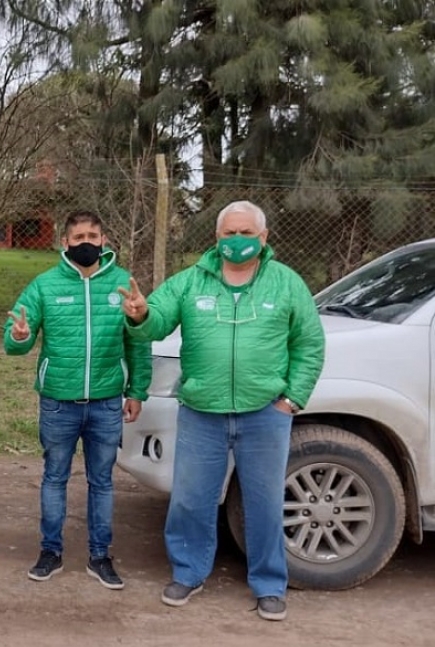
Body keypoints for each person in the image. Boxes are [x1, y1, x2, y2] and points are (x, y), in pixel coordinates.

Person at [119, 200, 325, 622]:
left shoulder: (286, 284)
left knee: (265, 503)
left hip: (265, 413)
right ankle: (188, 572)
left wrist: (292, 399)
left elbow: (309, 344)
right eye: (229, 233)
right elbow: (156, 321)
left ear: (263, 238)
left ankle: (269, 583)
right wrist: (140, 315)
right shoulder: (191, 282)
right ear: (216, 238)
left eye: (246, 233)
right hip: (201, 412)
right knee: (191, 500)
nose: (237, 241)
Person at [4, 210, 151, 588]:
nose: (86, 242)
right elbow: (14, 338)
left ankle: (100, 556)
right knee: (55, 478)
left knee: (101, 481)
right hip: (58, 401)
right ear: (64, 242)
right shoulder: (45, 285)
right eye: (78, 237)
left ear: (103, 240)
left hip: (105, 402)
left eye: (93, 236)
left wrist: (136, 390)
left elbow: (139, 342)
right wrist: (19, 336)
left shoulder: (122, 284)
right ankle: (50, 552)